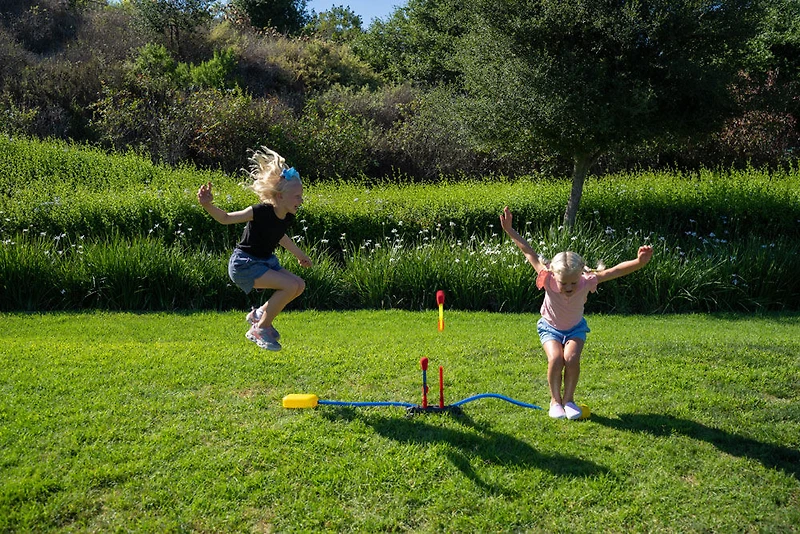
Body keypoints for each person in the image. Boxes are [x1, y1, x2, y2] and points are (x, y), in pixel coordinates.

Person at [500, 206, 653, 420]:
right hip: (550, 327)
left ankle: (569, 400)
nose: (570, 287)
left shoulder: (587, 281)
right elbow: (528, 251)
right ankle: (555, 401)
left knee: (571, 359)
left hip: (575, 328)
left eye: (574, 282)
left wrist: (639, 262)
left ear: (581, 275)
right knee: (555, 358)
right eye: (565, 283)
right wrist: (509, 229)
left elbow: (615, 271)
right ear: (555, 275)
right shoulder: (548, 278)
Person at [197, 147, 312, 351]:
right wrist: (207, 205)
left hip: (265, 261)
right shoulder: (259, 212)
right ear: (279, 196)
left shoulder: (287, 216)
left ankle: (259, 314)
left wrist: (300, 255)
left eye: (301, 196)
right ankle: (260, 328)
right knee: (288, 286)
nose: (300, 200)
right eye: (297, 196)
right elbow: (225, 219)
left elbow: (280, 237)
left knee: (299, 285)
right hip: (244, 265)